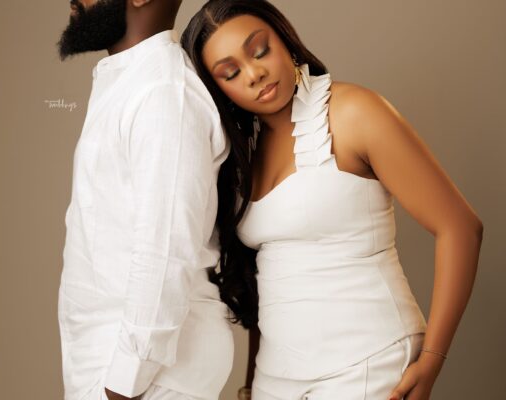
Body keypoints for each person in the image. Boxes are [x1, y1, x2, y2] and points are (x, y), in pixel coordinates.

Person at [180, 1, 484, 399]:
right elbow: (265, 279)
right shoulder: (241, 156)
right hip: (276, 376)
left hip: (368, 362)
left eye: (260, 50)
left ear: (284, 39)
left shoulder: (353, 112)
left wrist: (431, 360)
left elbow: (460, 228)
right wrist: (252, 383)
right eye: (231, 73)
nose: (254, 74)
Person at [56, 1, 234, 399]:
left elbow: (165, 247)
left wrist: (123, 384)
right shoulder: (136, 81)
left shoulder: (163, 92)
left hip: (147, 377)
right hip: (121, 368)